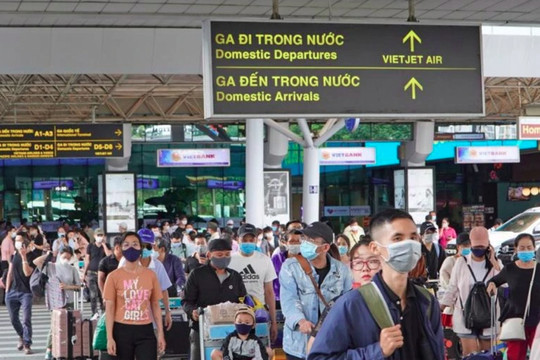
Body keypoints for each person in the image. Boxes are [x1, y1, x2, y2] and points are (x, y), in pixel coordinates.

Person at [308, 209, 444, 360]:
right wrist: (378, 351)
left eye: (413, 238)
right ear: (375, 248)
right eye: (398, 238)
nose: (409, 245)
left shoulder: (427, 302)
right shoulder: (350, 305)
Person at [280, 221, 352, 360]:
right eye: (304, 239)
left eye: (310, 240)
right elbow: (288, 300)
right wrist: (300, 321)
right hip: (298, 345)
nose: (304, 243)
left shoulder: (342, 271)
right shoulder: (290, 267)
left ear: (325, 247)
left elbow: (347, 304)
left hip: (330, 344)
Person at [103, 231, 166, 359]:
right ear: (120, 248)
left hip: (145, 330)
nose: (131, 247)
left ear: (141, 248)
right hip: (121, 330)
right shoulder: (113, 277)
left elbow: (155, 305)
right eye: (126, 245)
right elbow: (109, 308)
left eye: (135, 244)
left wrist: (160, 334)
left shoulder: (151, 275)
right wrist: (109, 337)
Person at [440, 226, 502, 355]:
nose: (479, 250)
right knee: (470, 356)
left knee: (487, 355)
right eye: (476, 246)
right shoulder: (461, 263)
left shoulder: (495, 264)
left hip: (489, 316)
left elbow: (506, 284)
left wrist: (494, 262)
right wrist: (441, 307)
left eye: (482, 247)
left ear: (488, 246)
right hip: (465, 316)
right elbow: (452, 287)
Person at [183, 238, 247, 360]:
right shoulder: (197, 275)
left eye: (227, 254)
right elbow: (186, 301)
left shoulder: (235, 276)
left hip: (231, 330)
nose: (224, 257)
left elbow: (242, 300)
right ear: (209, 255)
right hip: (201, 329)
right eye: (219, 255)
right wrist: (193, 312)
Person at [486, 233, 540, 360]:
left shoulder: (539, 269)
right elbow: (494, 280)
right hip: (515, 321)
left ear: (534, 248)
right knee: (515, 356)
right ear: (515, 249)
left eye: (529, 247)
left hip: (537, 321)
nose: (525, 250)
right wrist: (492, 284)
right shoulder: (510, 269)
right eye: (522, 248)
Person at [229, 224, 278, 342]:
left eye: (251, 240)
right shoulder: (229, 261)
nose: (248, 243)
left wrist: (274, 321)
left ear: (256, 240)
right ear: (237, 240)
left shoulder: (265, 260)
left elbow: (270, 292)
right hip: (236, 315)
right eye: (244, 240)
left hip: (259, 314)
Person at [34, 247, 81, 360]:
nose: (66, 260)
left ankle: (65, 350)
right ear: (59, 255)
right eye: (64, 257)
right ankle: (49, 350)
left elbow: (79, 286)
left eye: (69, 258)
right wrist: (48, 254)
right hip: (56, 302)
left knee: (70, 327)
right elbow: (36, 262)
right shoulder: (51, 266)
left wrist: (67, 287)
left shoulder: (72, 269)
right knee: (54, 328)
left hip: (69, 302)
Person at [5, 233, 38, 354]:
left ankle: (27, 344)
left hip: (26, 293)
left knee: (26, 319)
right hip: (12, 291)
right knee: (13, 319)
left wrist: (24, 257)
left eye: (19, 241)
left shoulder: (33, 256)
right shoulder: (14, 255)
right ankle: (22, 335)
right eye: (16, 241)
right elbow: (10, 272)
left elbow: (27, 273)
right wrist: (7, 290)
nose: (17, 243)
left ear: (26, 243)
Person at [82, 228, 111, 319]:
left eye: (101, 235)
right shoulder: (90, 246)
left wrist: (104, 244)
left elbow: (109, 255)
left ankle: (103, 312)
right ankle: (94, 312)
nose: (100, 237)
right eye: (98, 235)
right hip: (91, 272)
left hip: (102, 273)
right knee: (93, 294)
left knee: (102, 293)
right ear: (94, 236)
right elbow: (87, 260)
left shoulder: (106, 245)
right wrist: (84, 273)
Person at [271, 228, 302, 306]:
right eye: (292, 241)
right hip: (279, 299)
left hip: (301, 300)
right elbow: (271, 280)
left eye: (298, 241)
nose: (295, 244)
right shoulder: (277, 258)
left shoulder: (307, 259)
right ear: (285, 243)